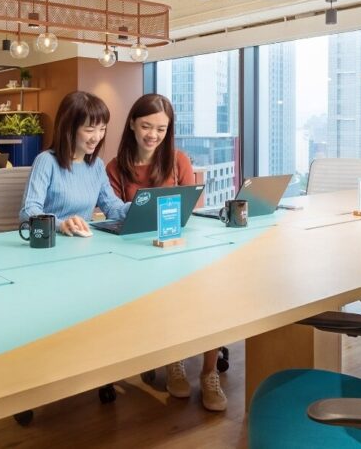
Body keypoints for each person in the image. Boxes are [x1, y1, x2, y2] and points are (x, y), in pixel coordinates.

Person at [106, 93, 227, 413]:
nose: (153, 135)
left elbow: (193, 214)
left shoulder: (178, 160)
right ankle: (174, 361)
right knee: (169, 295)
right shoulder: (116, 168)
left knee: (210, 292)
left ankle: (208, 371)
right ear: (132, 123)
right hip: (139, 257)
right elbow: (116, 219)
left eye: (161, 129)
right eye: (147, 126)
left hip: (180, 249)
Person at [20, 91, 127, 236]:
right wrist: (60, 224)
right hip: (51, 242)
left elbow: (112, 207)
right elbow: (29, 211)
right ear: (69, 129)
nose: (97, 137)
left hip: (83, 243)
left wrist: (138, 208)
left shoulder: (97, 165)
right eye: (89, 130)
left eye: (102, 129)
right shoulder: (46, 161)